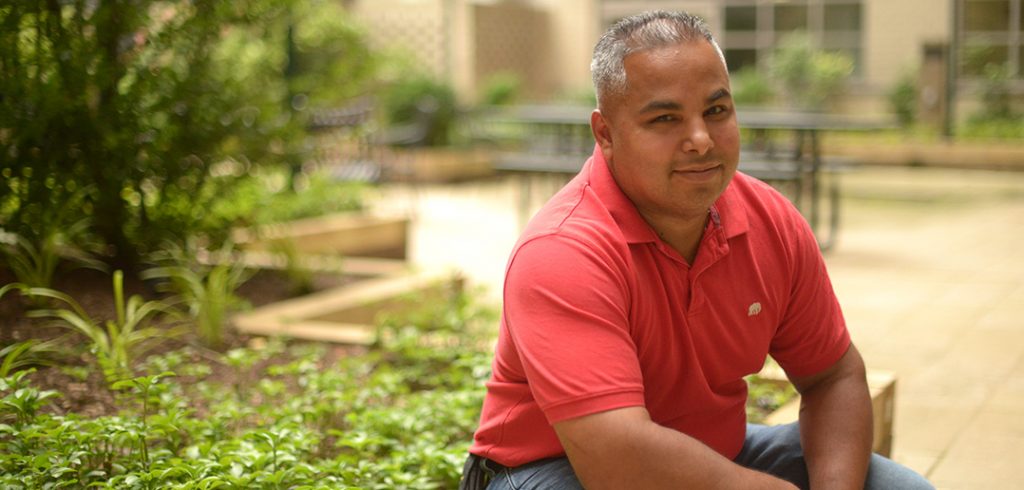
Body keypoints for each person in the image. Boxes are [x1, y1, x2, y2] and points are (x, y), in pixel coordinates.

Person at [461, 10, 934, 490]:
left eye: (716, 111)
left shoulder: (771, 220)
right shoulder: (564, 250)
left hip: (707, 449)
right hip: (549, 467)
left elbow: (833, 376)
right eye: (665, 118)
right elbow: (615, 459)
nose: (701, 140)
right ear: (605, 134)